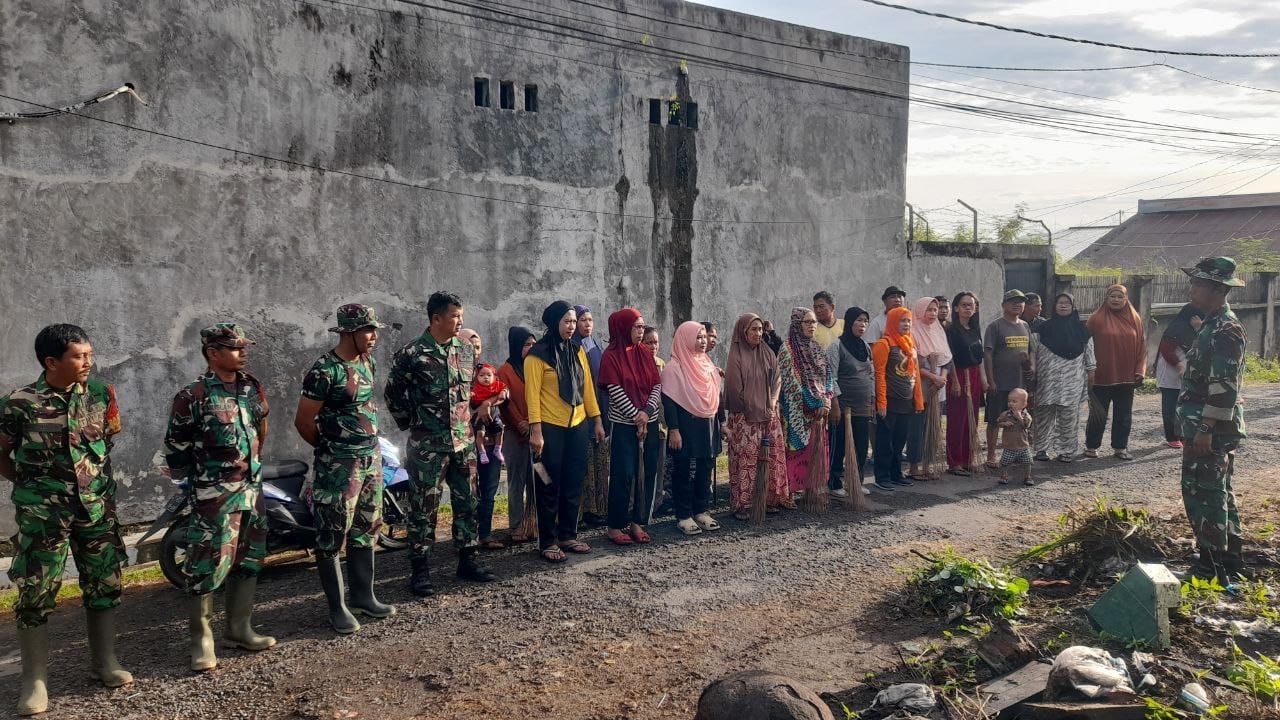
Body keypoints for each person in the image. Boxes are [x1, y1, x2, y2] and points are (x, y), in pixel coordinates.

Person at [2, 324, 131, 715]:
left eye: (90, 354)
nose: (88, 362)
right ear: (51, 361)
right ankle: (35, 682)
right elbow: (0, 453)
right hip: (44, 514)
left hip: (95, 508)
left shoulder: (101, 393)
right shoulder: (19, 402)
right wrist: (32, 487)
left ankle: (104, 662)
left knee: (104, 580)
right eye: (79, 356)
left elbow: (107, 439)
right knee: (36, 590)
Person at [164, 323, 275, 672]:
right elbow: (176, 449)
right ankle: (202, 640)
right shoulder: (193, 396)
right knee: (206, 565)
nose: (243, 352)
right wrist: (202, 482)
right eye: (234, 347)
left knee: (250, 558)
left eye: (244, 347)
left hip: (251, 490)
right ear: (213, 353)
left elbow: (261, 429)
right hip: (214, 495)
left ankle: (239, 629)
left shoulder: (250, 387)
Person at [385, 292, 496, 598]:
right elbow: (393, 395)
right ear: (436, 318)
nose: (460, 321)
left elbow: (466, 393)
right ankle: (420, 571)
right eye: (454, 316)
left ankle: (468, 560)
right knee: (424, 510)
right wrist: (415, 425)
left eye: (461, 315)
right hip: (427, 446)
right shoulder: (412, 353)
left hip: (462, 442)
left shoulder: (464, 349)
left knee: (467, 503)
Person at [295, 304, 396, 635]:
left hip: (371, 460)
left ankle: (364, 597)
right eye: (368, 330)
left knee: (366, 528)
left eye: (374, 330)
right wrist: (333, 451)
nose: (374, 337)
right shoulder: (324, 371)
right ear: (348, 332)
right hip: (339, 466)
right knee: (331, 535)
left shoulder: (367, 361)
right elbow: (304, 421)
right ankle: (337, 607)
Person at [1177, 257, 1248, 582]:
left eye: (1199, 283)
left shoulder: (1225, 328)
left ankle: (1212, 563)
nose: (1192, 288)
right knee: (1217, 489)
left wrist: (1206, 428)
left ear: (1219, 289)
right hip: (1201, 426)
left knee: (1203, 492)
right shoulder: (1211, 323)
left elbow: (1224, 386)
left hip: (1209, 429)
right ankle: (1229, 558)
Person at [525, 301, 606, 561]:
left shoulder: (577, 350)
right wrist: (536, 432)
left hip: (577, 424)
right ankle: (547, 540)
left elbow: (588, 389)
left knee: (574, 480)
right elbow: (532, 395)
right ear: (554, 323)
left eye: (573, 322)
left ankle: (568, 535)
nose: (571, 327)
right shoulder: (537, 355)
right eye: (567, 322)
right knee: (548, 482)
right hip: (550, 427)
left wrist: (596, 419)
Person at [599, 308, 662, 545]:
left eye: (643, 326)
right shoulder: (611, 356)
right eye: (636, 327)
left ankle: (638, 522)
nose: (641, 331)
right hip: (624, 425)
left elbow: (656, 384)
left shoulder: (644, 353)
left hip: (650, 421)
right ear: (623, 328)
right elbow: (614, 390)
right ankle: (615, 525)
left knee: (647, 472)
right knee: (623, 474)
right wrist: (637, 416)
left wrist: (646, 413)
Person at [725, 313, 790, 519]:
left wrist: (772, 401)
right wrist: (755, 407)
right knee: (747, 460)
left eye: (760, 329)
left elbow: (777, 378)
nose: (758, 333)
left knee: (769, 458)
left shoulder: (767, 353)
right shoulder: (736, 356)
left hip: (768, 415)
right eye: (753, 329)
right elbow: (735, 390)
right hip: (746, 419)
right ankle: (743, 504)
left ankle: (768, 499)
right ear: (743, 331)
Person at [661, 321, 723, 535]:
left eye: (704, 337)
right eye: (698, 337)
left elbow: (717, 395)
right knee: (684, 469)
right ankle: (684, 515)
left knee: (706, 466)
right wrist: (674, 429)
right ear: (685, 339)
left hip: (708, 422)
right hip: (685, 425)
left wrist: (722, 423)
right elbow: (669, 402)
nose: (703, 341)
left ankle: (701, 510)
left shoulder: (707, 364)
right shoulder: (673, 368)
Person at [778, 308, 836, 499]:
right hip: (797, 410)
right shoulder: (787, 349)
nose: (812, 326)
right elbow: (791, 383)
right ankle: (794, 488)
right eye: (807, 322)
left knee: (816, 449)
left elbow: (828, 376)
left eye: (814, 322)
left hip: (819, 410)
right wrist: (815, 402)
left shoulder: (817, 348)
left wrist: (826, 400)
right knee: (797, 450)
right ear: (797, 324)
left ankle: (813, 485)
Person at [1084, 284, 1146, 460]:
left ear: (1126, 299)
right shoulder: (1096, 319)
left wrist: (1140, 370)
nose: (1116, 300)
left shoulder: (1135, 318)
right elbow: (1086, 347)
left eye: (1120, 297)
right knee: (1098, 414)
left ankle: (1120, 447)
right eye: (1113, 296)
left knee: (1123, 414)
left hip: (1127, 376)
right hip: (1100, 376)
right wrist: (1088, 370)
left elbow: (1142, 345)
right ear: (1106, 298)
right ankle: (1091, 446)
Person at [1031, 294, 1096, 463]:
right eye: (1060, 302)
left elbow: (1090, 355)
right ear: (1054, 306)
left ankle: (1066, 450)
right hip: (1047, 380)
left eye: (1067, 303)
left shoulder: (1082, 329)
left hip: (1072, 381)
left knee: (1069, 416)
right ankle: (1041, 449)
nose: (1063, 306)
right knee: (1044, 414)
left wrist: (1091, 373)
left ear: (1073, 306)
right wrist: (1033, 372)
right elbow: (1034, 352)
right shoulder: (1042, 328)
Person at [872, 307, 924, 490]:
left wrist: (917, 400)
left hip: (906, 402)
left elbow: (915, 376)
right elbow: (879, 375)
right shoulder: (883, 344)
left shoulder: (910, 346)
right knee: (885, 442)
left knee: (899, 441)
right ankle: (882, 476)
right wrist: (881, 403)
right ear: (893, 322)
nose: (906, 324)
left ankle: (896, 473)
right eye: (902, 320)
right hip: (890, 401)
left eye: (909, 321)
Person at [825, 307, 875, 497]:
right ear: (849, 322)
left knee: (861, 446)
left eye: (865, 321)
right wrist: (835, 404)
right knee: (839, 445)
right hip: (843, 406)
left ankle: (856, 481)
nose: (862, 325)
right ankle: (834, 482)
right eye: (858, 321)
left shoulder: (865, 346)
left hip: (862, 405)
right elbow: (831, 376)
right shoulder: (836, 346)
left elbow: (870, 375)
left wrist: (872, 398)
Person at [983, 290, 1033, 469]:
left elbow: (1030, 351)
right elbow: (987, 354)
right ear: (1003, 305)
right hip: (999, 382)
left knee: (1019, 419)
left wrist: (1031, 366)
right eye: (1013, 301)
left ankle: (1018, 453)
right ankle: (990, 456)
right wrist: (990, 380)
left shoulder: (1025, 326)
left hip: (1019, 384)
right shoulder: (995, 326)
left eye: (1021, 301)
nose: (1017, 304)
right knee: (996, 419)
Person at [497, 327, 537, 544]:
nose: (530, 349)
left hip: (537, 431)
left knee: (536, 479)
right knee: (516, 481)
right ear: (516, 346)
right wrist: (520, 422)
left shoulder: (534, 368)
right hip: (515, 434)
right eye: (526, 345)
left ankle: (533, 523)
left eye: (533, 344)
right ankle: (516, 525)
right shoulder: (505, 371)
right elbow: (506, 403)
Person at [907, 297, 951, 482]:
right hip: (921, 385)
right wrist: (933, 377)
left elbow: (948, 359)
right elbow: (912, 363)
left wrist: (942, 379)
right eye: (929, 310)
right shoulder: (913, 331)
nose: (933, 313)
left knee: (934, 425)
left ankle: (928, 465)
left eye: (935, 309)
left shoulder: (939, 330)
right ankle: (914, 466)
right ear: (919, 311)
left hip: (938, 386)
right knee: (917, 426)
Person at [573, 305, 609, 527]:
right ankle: (584, 511)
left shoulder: (594, 345)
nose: (587, 324)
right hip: (582, 415)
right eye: (583, 320)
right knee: (584, 465)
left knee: (599, 461)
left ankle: (599, 509)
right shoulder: (573, 347)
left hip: (601, 412)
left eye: (590, 320)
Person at [469, 363, 508, 550]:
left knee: (489, 492)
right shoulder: (462, 380)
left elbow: (504, 394)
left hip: (491, 446)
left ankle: (485, 533)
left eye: (477, 345)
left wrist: (487, 403)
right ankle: (468, 537)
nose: (474, 349)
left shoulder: (489, 377)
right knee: (469, 492)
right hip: (467, 446)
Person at [945, 292, 983, 476]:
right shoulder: (951, 330)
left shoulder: (975, 329)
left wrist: (983, 380)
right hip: (958, 374)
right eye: (964, 304)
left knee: (972, 418)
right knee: (957, 420)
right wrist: (955, 381)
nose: (968, 308)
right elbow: (949, 356)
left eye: (971, 305)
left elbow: (980, 358)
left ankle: (968, 459)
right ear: (956, 308)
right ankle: (955, 461)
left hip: (974, 374)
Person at [1157, 304, 1205, 449]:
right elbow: (1166, 349)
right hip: (1170, 371)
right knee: (1170, 405)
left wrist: (1198, 328)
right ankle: (1172, 436)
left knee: (1186, 404)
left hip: (1188, 371)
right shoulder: (1176, 328)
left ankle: (1184, 434)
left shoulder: (1200, 329)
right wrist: (1178, 365)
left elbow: (1203, 345)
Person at [470, 363, 507, 466]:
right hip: (479, 417)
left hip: (493, 415)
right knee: (480, 434)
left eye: (488, 375)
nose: (485, 377)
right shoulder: (476, 387)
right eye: (481, 375)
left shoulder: (496, 385)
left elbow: (504, 391)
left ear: (494, 376)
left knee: (500, 430)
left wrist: (503, 392)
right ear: (477, 377)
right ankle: (482, 452)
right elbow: (470, 397)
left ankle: (497, 449)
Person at [996, 388, 1034, 486]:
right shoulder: (1006, 414)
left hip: (1023, 445)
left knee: (1028, 461)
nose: (1011, 404)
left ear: (1024, 404)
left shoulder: (1026, 415)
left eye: (1014, 401)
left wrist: (1019, 418)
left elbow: (1026, 425)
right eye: (1009, 401)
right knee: (1005, 462)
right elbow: (998, 422)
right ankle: (1004, 475)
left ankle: (1027, 476)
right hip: (1009, 445)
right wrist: (1004, 423)